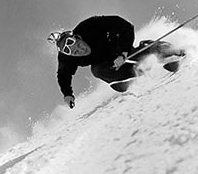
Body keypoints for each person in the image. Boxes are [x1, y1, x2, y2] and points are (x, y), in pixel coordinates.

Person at [48, 15, 184, 108]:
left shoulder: (89, 26)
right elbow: (63, 75)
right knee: (97, 70)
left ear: (78, 37)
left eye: (78, 45)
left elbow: (125, 25)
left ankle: (168, 51)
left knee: (136, 55)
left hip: (118, 45)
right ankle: (129, 76)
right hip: (106, 62)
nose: (80, 50)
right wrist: (68, 94)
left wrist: (123, 52)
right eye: (76, 52)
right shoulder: (67, 59)